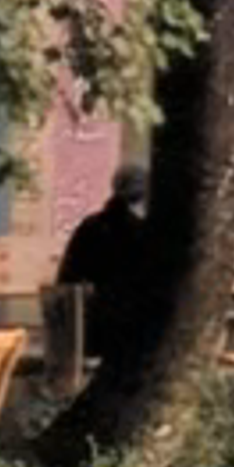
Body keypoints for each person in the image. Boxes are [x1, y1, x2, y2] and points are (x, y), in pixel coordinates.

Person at [53, 156, 162, 368]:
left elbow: (67, 279)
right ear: (148, 193)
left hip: (88, 330)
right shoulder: (145, 232)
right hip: (127, 334)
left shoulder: (91, 226)